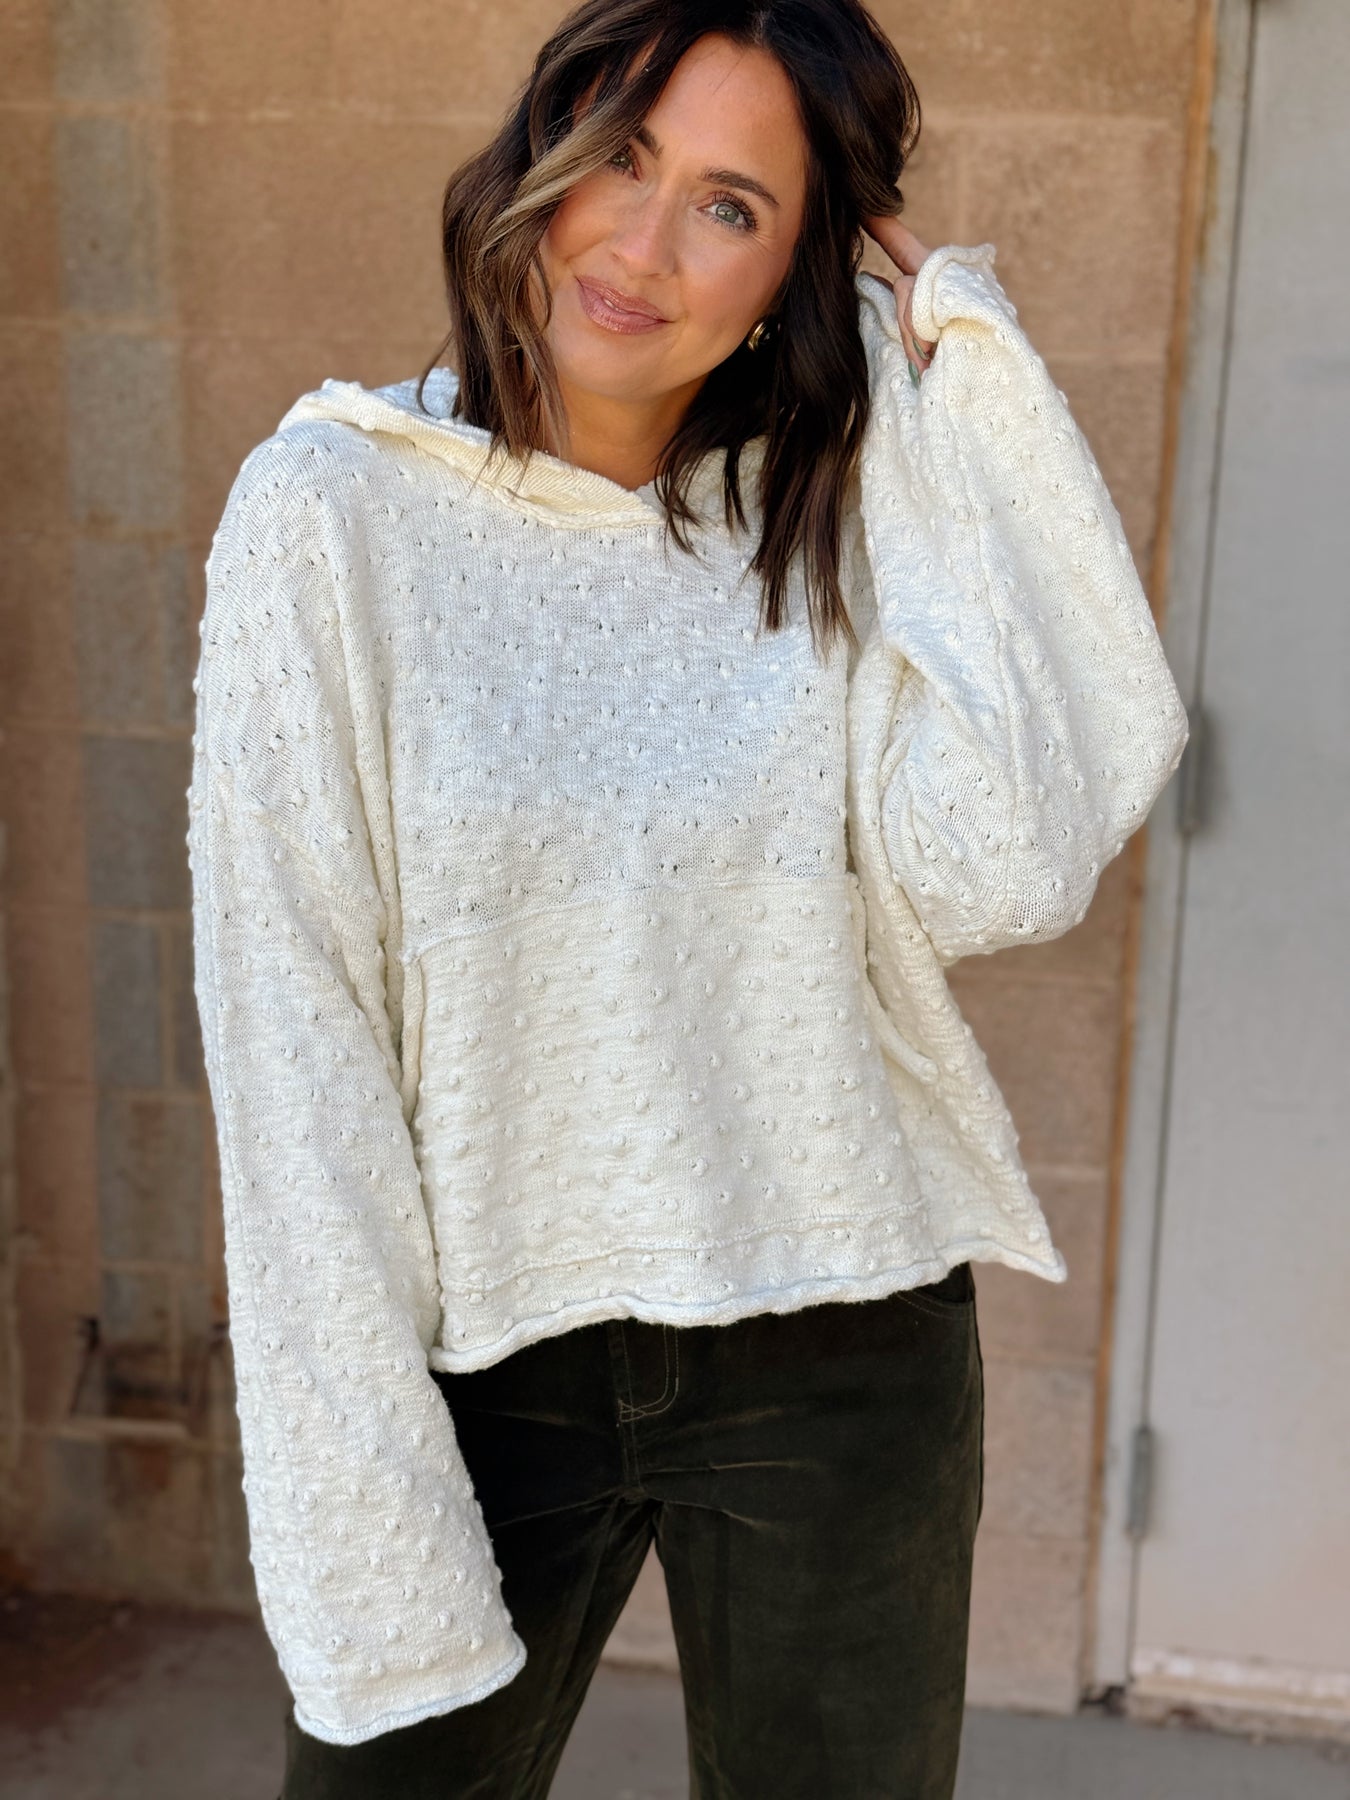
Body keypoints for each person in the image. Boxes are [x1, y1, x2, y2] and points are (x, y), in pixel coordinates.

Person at [187, 2, 1189, 1795]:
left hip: (840, 1330)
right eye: (620, 161)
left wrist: (955, 378)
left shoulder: (823, 523)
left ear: (797, 272)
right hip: (480, 1350)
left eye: (730, 206)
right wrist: (357, 1462)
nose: (639, 247)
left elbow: (1014, 857)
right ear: (539, 162)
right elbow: (293, 1034)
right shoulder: (332, 512)